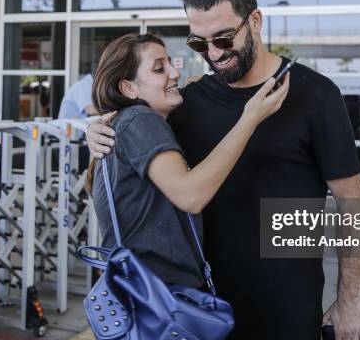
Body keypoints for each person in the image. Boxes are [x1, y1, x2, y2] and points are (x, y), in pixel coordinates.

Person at [86, 0, 360, 340]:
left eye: (222, 38)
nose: (213, 54)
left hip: (284, 325)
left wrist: (350, 298)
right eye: (199, 44)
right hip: (198, 321)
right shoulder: (189, 102)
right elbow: (137, 129)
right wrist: (98, 131)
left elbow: (352, 202)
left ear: (254, 21)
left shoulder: (315, 96)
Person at [86, 32, 288, 291]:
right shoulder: (140, 120)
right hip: (161, 299)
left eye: (170, 62)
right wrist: (251, 118)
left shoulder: (128, 124)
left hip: (147, 294)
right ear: (128, 88)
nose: (174, 72)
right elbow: (191, 196)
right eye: (159, 68)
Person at [58, 74, 98, 170]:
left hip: (75, 139)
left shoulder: (90, 85)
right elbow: (90, 110)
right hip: (68, 140)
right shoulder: (85, 85)